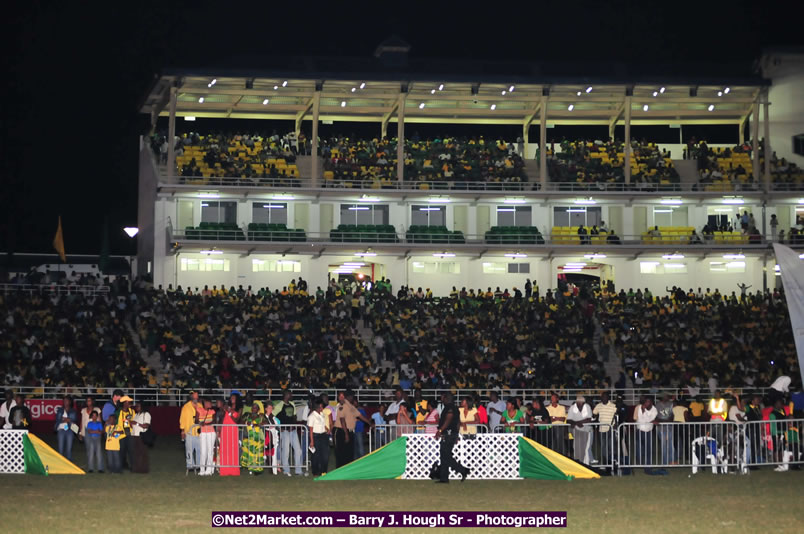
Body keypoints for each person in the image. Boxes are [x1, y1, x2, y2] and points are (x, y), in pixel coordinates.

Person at [434, 393, 470, 483]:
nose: (442, 399)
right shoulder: (455, 409)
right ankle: (444, 478)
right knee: (444, 456)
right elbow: (458, 423)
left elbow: (448, 420)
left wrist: (440, 430)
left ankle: (462, 470)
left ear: (447, 399)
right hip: (452, 434)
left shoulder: (449, 408)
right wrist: (456, 434)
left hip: (448, 434)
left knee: (445, 456)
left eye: (443, 397)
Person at [275, 391, 303, 476]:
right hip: (285, 431)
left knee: (298, 450)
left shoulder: (292, 404)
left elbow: (294, 416)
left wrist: (293, 425)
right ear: (286, 395)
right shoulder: (280, 405)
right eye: (290, 394)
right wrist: (279, 427)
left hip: (292, 430)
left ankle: (298, 470)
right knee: (286, 451)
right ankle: (286, 470)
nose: (292, 395)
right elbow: (273, 416)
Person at [219, 392, 242, 476]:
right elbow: (221, 418)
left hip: (233, 429)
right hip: (225, 429)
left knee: (233, 449)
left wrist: (230, 412)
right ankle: (224, 469)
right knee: (225, 449)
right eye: (231, 397)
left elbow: (236, 421)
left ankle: (233, 470)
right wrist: (223, 410)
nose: (231, 399)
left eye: (233, 397)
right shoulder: (226, 407)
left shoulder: (239, 408)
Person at [241, 400, 265, 475]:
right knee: (247, 452)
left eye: (255, 408)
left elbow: (265, 422)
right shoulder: (247, 414)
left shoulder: (260, 416)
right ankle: (247, 466)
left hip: (257, 438)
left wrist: (258, 424)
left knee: (257, 454)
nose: (254, 409)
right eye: (253, 407)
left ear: (258, 409)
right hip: (247, 436)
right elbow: (240, 421)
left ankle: (257, 469)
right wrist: (245, 422)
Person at [593, 392, 617, 467]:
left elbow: (616, 416)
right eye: (602, 397)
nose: (603, 398)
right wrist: (596, 417)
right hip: (601, 429)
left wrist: (615, 424)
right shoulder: (598, 405)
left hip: (611, 428)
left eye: (605, 397)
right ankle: (605, 461)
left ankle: (612, 460)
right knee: (603, 446)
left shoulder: (613, 406)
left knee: (611, 446)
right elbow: (594, 413)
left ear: (608, 398)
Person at [567, 396, 593, 465]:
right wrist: (577, 423)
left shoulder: (587, 407)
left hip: (586, 429)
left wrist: (578, 422)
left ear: (583, 403)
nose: (579, 404)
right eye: (578, 403)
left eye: (581, 403)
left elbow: (589, 419)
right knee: (576, 447)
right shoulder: (573, 407)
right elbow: (568, 420)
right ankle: (577, 462)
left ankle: (583, 463)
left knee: (584, 447)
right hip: (576, 429)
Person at [307, 398, 330, 476]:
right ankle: (315, 471)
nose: (322, 407)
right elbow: (310, 429)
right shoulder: (312, 416)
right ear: (319, 406)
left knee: (325, 454)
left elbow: (323, 424)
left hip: (323, 435)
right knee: (316, 455)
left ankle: (324, 471)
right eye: (321, 406)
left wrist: (327, 429)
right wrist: (312, 441)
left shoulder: (322, 414)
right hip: (315, 436)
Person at [634, 397, 658, 473]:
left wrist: (645, 412)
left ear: (651, 403)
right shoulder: (639, 408)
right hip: (640, 430)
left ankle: (648, 467)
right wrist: (649, 419)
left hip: (649, 432)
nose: (646, 403)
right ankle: (640, 462)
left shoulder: (654, 410)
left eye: (648, 402)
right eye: (645, 402)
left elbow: (649, 419)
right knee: (639, 449)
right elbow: (640, 419)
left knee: (649, 450)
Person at [179, 391, 200, 474]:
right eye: (195, 397)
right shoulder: (185, 407)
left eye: (197, 396)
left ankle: (199, 466)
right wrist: (182, 431)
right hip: (189, 432)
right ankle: (190, 466)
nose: (196, 398)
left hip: (198, 432)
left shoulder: (200, 406)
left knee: (199, 450)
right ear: (191, 397)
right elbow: (182, 419)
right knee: (189, 450)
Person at [55, 395, 78, 461]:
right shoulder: (60, 410)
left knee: (69, 448)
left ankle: (69, 461)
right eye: (64, 400)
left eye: (66, 400)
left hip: (70, 430)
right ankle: (60, 461)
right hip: (61, 430)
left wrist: (68, 420)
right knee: (60, 448)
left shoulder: (73, 411)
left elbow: (74, 420)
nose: (65, 402)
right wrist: (66, 419)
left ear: (70, 402)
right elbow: (57, 419)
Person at [196, 398, 216, 476]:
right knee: (203, 451)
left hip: (211, 432)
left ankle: (209, 470)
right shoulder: (199, 409)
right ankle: (202, 470)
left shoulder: (212, 411)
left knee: (210, 451)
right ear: (205, 403)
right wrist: (200, 422)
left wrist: (206, 424)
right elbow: (196, 420)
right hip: (203, 432)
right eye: (209, 403)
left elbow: (214, 421)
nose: (210, 404)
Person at [130, 401, 151, 473]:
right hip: (134, 435)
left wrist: (136, 423)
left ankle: (143, 469)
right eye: (136, 406)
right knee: (135, 453)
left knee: (142, 453)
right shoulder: (136, 415)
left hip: (141, 435)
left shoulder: (146, 414)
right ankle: (136, 468)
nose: (136, 407)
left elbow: (146, 425)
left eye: (138, 406)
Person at [655, 393, 675, 465]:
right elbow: (656, 416)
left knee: (670, 444)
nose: (668, 398)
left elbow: (672, 414)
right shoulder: (658, 405)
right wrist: (663, 421)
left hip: (669, 426)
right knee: (664, 445)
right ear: (663, 397)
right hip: (661, 428)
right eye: (667, 397)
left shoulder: (671, 404)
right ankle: (665, 462)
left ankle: (672, 460)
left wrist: (669, 419)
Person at [117, 396, 136, 472]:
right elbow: (117, 424)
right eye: (128, 402)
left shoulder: (132, 411)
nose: (129, 404)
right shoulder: (119, 412)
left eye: (129, 402)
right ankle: (122, 466)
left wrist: (131, 423)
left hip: (130, 433)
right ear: (124, 403)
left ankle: (133, 466)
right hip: (121, 434)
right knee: (122, 451)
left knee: (131, 451)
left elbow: (133, 422)